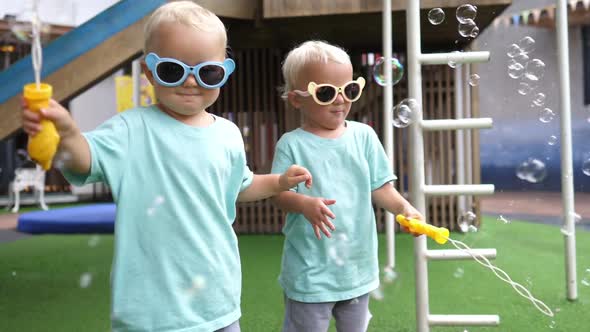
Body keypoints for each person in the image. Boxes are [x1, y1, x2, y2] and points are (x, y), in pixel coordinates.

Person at [21, 2, 312, 331]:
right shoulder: (130, 130)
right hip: (152, 311)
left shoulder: (228, 134)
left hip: (217, 301)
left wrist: (277, 182)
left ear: (225, 72)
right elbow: (84, 158)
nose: (190, 82)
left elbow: (240, 186)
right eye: (172, 70)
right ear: (148, 71)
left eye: (207, 72)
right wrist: (69, 133)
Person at [271, 40, 424, 332]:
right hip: (310, 271)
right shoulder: (291, 145)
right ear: (296, 99)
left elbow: (380, 187)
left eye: (350, 90)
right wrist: (303, 204)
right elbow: (278, 194)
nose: (340, 100)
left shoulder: (363, 136)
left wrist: (404, 208)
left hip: (357, 267)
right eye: (326, 93)